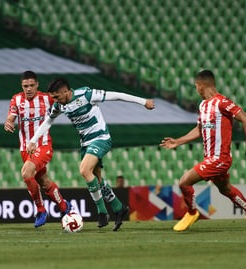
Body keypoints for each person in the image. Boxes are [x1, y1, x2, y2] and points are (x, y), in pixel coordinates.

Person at [27, 77, 155, 231]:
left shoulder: (86, 94)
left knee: (84, 170)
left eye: (56, 96)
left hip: (101, 137)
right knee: (97, 179)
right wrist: (33, 140)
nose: (54, 100)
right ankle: (119, 208)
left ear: (66, 91)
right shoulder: (59, 106)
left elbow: (115, 95)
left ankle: (101, 212)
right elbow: (48, 121)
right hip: (86, 143)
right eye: (52, 97)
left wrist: (143, 101)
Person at [160, 70, 246, 233]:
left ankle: (192, 213)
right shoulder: (203, 105)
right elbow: (199, 129)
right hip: (211, 158)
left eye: (196, 86)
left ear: (201, 86)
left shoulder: (222, 102)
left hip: (219, 159)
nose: (196, 90)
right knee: (225, 189)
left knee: (184, 182)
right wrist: (178, 141)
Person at [4, 71, 71, 228]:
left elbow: (63, 101)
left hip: (43, 145)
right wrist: (8, 123)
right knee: (44, 182)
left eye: (32, 85)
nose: (28, 89)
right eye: (25, 86)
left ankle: (41, 210)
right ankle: (64, 207)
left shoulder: (46, 98)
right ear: (22, 86)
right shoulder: (16, 99)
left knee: (26, 173)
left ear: (37, 85)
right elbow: (10, 117)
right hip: (25, 149)